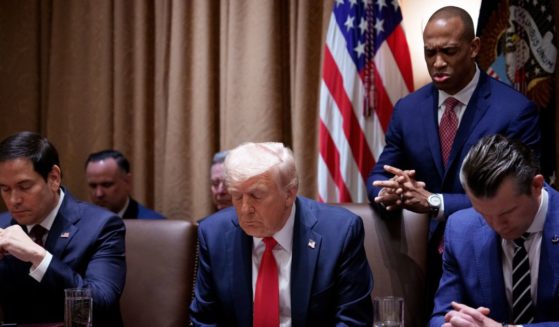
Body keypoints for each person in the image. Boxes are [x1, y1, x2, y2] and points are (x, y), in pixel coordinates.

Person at [366, 5, 541, 315]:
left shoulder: (514, 110)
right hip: (417, 257)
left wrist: (435, 201)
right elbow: (380, 172)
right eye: (429, 52)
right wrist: (390, 191)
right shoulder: (408, 109)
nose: (438, 62)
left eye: (448, 51)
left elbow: (520, 193)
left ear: (473, 48)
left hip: (485, 251)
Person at [190, 142, 373, 326]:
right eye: (237, 196)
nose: (245, 209)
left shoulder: (340, 233)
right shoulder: (213, 234)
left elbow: (352, 321)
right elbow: (204, 321)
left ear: (289, 194)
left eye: (256, 196)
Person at [430, 134, 559, 326]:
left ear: (536, 186)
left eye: (507, 213)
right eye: (483, 213)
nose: (496, 226)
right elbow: (442, 314)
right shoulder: (461, 229)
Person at [0, 131, 126, 325]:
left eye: (24, 187)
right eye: (5, 189)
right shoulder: (3, 227)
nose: (14, 200)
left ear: (54, 178)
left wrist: (38, 256)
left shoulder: (102, 226)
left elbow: (101, 304)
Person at [85, 149, 165, 219]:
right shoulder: (81, 224)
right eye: (93, 186)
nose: (99, 194)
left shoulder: (153, 226)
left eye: (107, 185)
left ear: (127, 182)